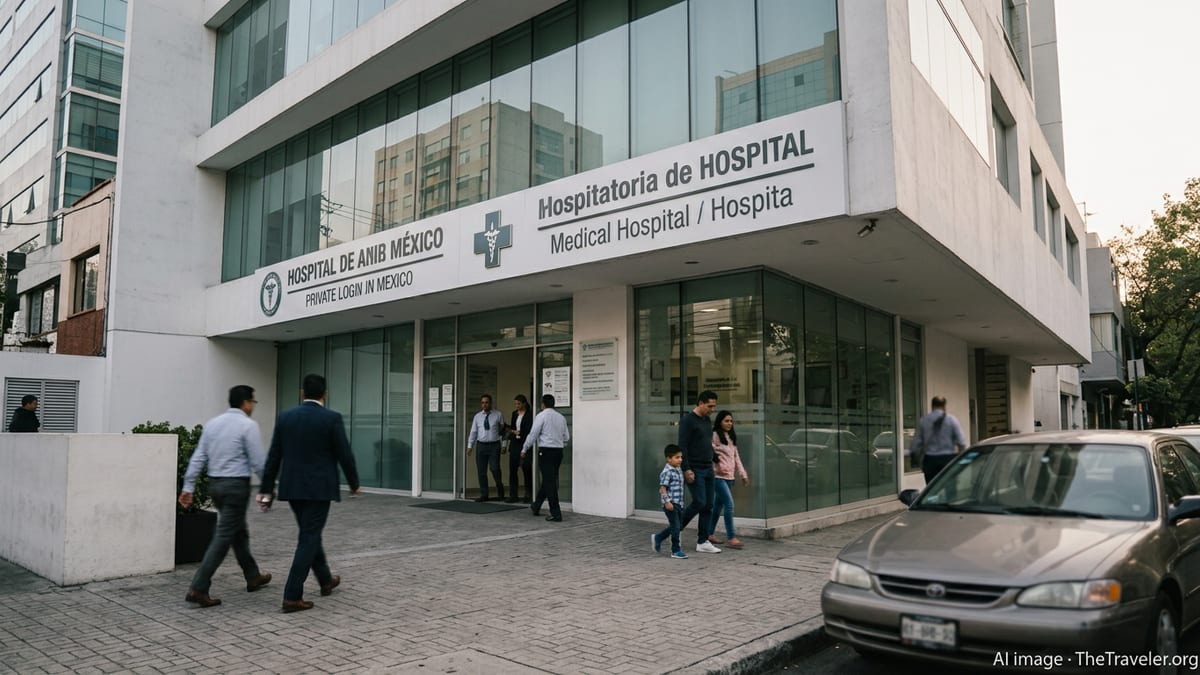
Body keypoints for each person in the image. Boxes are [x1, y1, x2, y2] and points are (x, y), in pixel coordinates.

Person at [257, 374, 361, 614]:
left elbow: (274, 455)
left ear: (303, 393)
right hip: (319, 488)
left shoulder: (286, 417)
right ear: (325, 394)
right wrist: (354, 482)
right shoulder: (331, 418)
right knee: (309, 537)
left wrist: (265, 489)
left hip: (293, 488)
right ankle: (292, 595)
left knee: (309, 533)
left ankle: (325, 580)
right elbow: (343, 453)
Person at [179, 385, 272, 608]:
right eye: (253, 402)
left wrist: (188, 486)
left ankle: (253, 576)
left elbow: (199, 457)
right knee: (223, 536)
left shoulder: (213, 424)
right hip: (235, 488)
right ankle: (199, 587)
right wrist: (268, 487)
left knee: (238, 532)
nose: (253, 407)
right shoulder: (248, 425)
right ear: (246, 403)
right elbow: (258, 461)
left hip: (216, 486)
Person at [677, 391, 721, 553]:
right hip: (694, 469)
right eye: (709, 406)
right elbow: (682, 446)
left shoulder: (707, 420)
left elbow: (706, 443)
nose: (712, 409)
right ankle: (676, 528)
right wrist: (686, 468)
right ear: (700, 403)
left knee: (708, 505)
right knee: (699, 502)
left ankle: (703, 542)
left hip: (708, 468)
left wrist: (716, 459)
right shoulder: (687, 421)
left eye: (714, 406)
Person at [522, 394, 569, 522]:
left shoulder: (541, 416)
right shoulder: (561, 417)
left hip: (546, 451)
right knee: (549, 479)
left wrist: (525, 448)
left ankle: (556, 513)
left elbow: (533, 434)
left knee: (550, 482)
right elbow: (566, 437)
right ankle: (536, 505)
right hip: (558, 452)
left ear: (543, 404)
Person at [706, 410, 749, 550]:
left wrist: (743, 475)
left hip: (730, 478)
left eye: (731, 421)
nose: (729, 423)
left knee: (717, 507)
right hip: (718, 477)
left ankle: (709, 534)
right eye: (726, 421)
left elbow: (737, 458)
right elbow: (709, 453)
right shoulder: (714, 435)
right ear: (720, 422)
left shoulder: (731, 437)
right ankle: (731, 537)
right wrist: (716, 467)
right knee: (729, 505)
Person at [909, 395, 968, 483]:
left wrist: (914, 458)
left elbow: (916, 443)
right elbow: (961, 441)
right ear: (944, 406)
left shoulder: (924, 420)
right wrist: (960, 459)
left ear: (932, 406)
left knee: (931, 490)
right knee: (950, 488)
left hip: (930, 460)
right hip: (947, 459)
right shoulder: (951, 419)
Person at [466, 394, 506, 502]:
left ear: (490, 403)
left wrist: (504, 445)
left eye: (487, 402)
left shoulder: (498, 415)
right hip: (481, 445)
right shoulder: (477, 416)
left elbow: (503, 432)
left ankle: (500, 492)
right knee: (481, 471)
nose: (484, 404)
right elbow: (473, 432)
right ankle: (484, 494)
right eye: (483, 402)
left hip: (494, 445)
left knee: (494, 468)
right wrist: (470, 446)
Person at [651, 444, 687, 559]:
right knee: (676, 526)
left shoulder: (678, 469)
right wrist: (667, 502)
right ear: (668, 459)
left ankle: (659, 537)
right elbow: (663, 488)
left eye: (681, 457)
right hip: (671, 504)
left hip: (679, 503)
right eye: (677, 457)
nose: (680, 460)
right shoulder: (667, 472)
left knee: (678, 526)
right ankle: (675, 550)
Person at [505, 394, 534, 504]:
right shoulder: (514, 414)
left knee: (526, 470)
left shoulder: (529, 415)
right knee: (513, 470)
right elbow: (512, 427)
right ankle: (513, 495)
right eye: (515, 404)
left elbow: (529, 430)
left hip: (524, 443)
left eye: (518, 404)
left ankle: (528, 494)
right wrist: (512, 432)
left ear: (524, 404)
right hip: (515, 444)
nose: (516, 406)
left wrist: (520, 433)